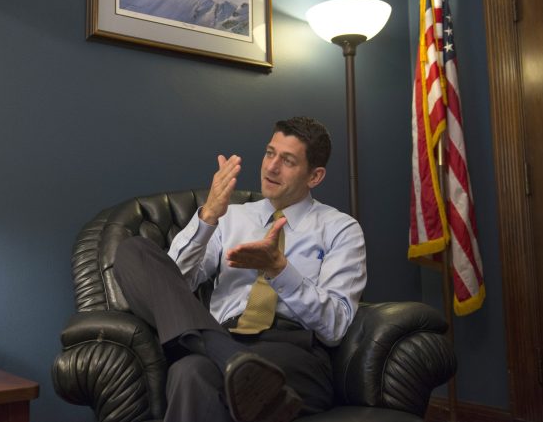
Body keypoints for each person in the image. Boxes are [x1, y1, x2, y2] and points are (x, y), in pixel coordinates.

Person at [113, 117, 367, 422]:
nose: (271, 167)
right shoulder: (230, 217)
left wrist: (279, 269)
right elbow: (171, 284)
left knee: (189, 370)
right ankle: (231, 357)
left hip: (294, 352)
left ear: (314, 176)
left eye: (287, 160)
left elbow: (336, 326)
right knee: (132, 251)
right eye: (269, 153)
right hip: (226, 336)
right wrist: (207, 217)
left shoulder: (340, 229)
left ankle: (230, 359)